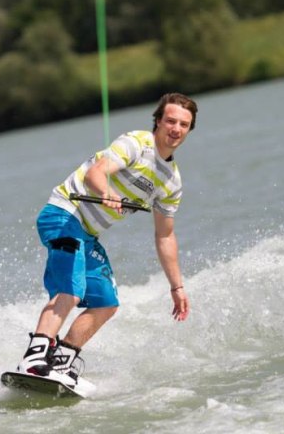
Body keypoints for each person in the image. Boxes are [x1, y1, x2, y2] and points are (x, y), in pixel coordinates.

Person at [16, 92, 197, 386]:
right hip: (63, 214)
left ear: (189, 130)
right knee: (70, 291)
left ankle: (62, 361)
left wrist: (177, 286)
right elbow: (96, 173)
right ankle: (35, 357)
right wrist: (105, 192)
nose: (176, 129)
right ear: (158, 121)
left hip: (86, 234)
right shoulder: (136, 144)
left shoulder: (171, 182)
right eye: (171, 120)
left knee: (106, 302)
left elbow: (165, 235)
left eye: (184, 124)